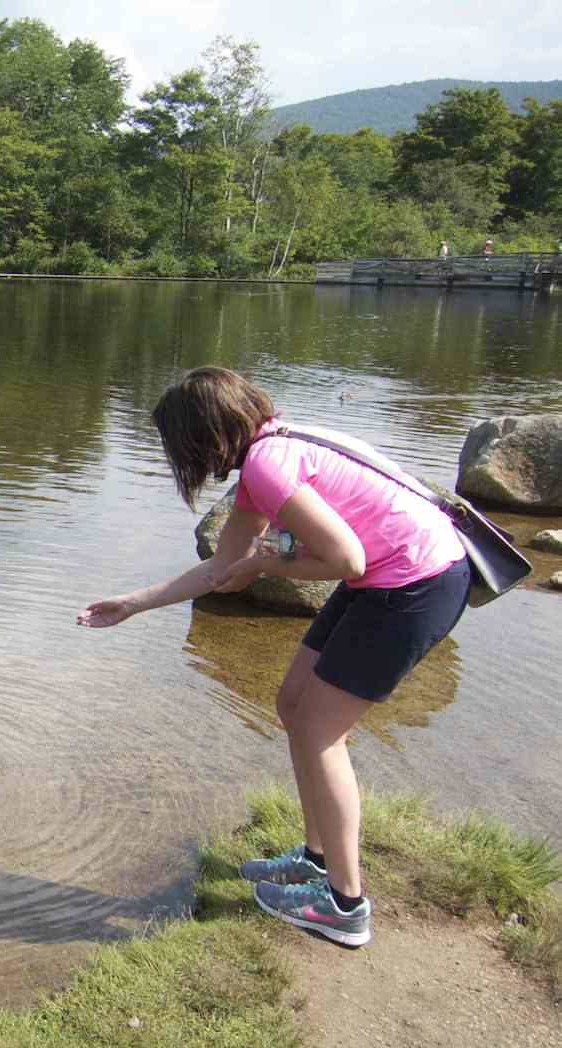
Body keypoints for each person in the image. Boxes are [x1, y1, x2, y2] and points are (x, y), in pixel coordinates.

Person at [78, 366, 469, 949]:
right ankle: (315, 860)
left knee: (318, 732)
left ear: (199, 437)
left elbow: (346, 559)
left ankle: (344, 904)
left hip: (415, 584)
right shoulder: (268, 456)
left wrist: (263, 564)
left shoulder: (267, 464)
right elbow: (219, 571)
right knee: (292, 703)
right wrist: (133, 605)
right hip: (390, 580)